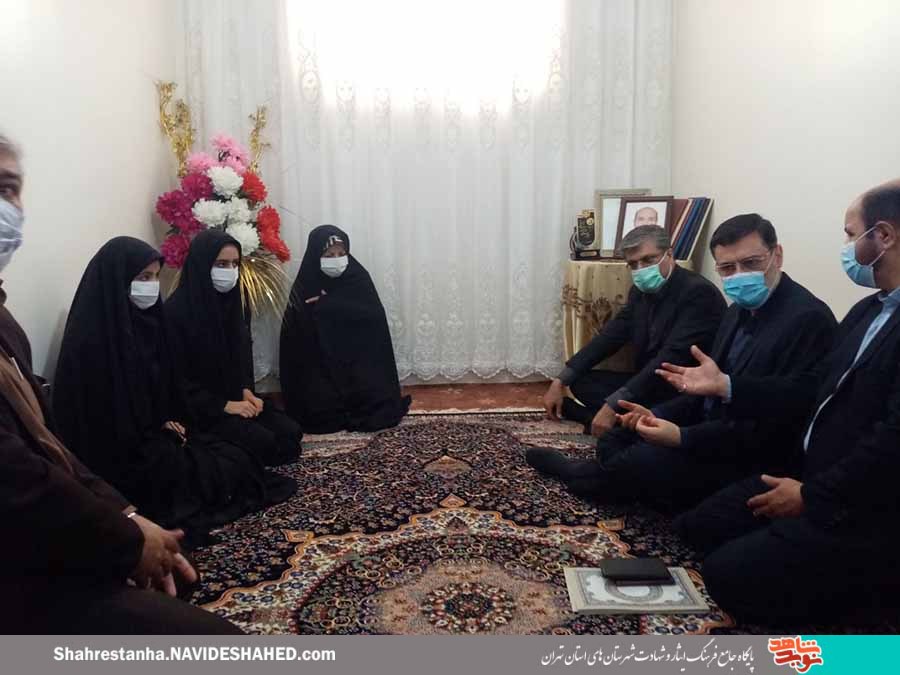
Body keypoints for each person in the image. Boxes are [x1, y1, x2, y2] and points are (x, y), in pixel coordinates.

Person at [0, 133, 240, 634]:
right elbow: (23, 477)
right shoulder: (95, 336)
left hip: (69, 518)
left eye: (8, 189)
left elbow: (51, 452)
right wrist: (129, 537)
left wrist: (126, 516)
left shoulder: (7, 327)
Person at [670, 182, 900, 624]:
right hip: (806, 473)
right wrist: (726, 387)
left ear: (884, 236)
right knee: (696, 528)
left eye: (851, 234)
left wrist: (811, 496)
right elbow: (808, 391)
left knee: (724, 575)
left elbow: (891, 443)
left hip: (859, 505)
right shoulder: (867, 311)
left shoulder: (810, 315)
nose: (847, 247)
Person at [528, 215, 836, 508]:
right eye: (728, 268)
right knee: (610, 433)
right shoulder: (736, 311)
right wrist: (564, 378)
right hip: (691, 402)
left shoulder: (801, 317)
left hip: (702, 411)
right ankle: (625, 468)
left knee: (628, 460)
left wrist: (677, 432)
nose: (739, 275)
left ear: (776, 256)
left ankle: (586, 473)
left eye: (751, 263)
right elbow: (610, 337)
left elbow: (674, 362)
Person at [52, 236, 296, 545]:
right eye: (143, 278)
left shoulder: (149, 325)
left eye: (155, 277)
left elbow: (164, 388)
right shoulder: (93, 341)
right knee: (230, 469)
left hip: (160, 434)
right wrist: (162, 426)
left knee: (243, 458)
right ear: (116, 282)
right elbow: (100, 420)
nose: (152, 286)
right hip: (123, 456)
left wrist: (167, 417)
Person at [541, 225, 725, 438]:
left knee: (628, 420)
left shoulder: (697, 293)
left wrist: (611, 405)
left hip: (683, 389)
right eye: (633, 264)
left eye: (648, 260)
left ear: (669, 254)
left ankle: (606, 422)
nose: (641, 269)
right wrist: (560, 380)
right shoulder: (640, 291)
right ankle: (619, 422)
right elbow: (610, 337)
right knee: (582, 381)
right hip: (648, 382)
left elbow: (670, 358)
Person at [166, 229, 302, 466]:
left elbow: (240, 357)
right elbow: (177, 382)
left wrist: (246, 390)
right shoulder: (176, 313)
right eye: (221, 264)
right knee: (267, 444)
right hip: (201, 411)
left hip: (236, 399)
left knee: (291, 433)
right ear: (201, 265)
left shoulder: (232, 303)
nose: (230, 271)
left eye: (234, 264)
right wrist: (225, 406)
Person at [280, 225, 411, 433]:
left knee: (378, 408)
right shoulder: (307, 282)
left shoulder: (358, 277)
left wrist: (329, 305)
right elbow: (297, 337)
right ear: (316, 255)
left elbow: (374, 318)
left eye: (341, 254)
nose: (337, 259)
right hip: (322, 368)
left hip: (357, 367)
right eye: (329, 255)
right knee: (318, 414)